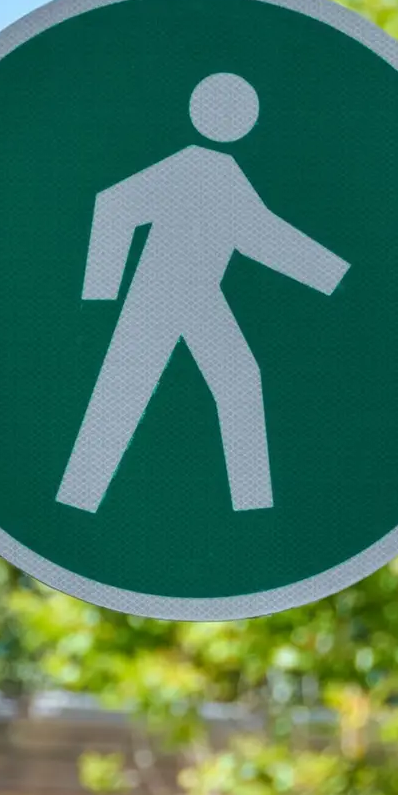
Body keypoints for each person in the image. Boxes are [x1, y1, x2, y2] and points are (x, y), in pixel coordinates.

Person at [56, 72, 349, 514]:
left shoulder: (223, 173)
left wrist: (329, 273)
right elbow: (114, 206)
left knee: (238, 380)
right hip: (158, 295)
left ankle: (253, 506)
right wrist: (100, 292)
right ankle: (80, 496)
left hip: (196, 297)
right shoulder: (191, 165)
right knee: (126, 389)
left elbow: (259, 233)